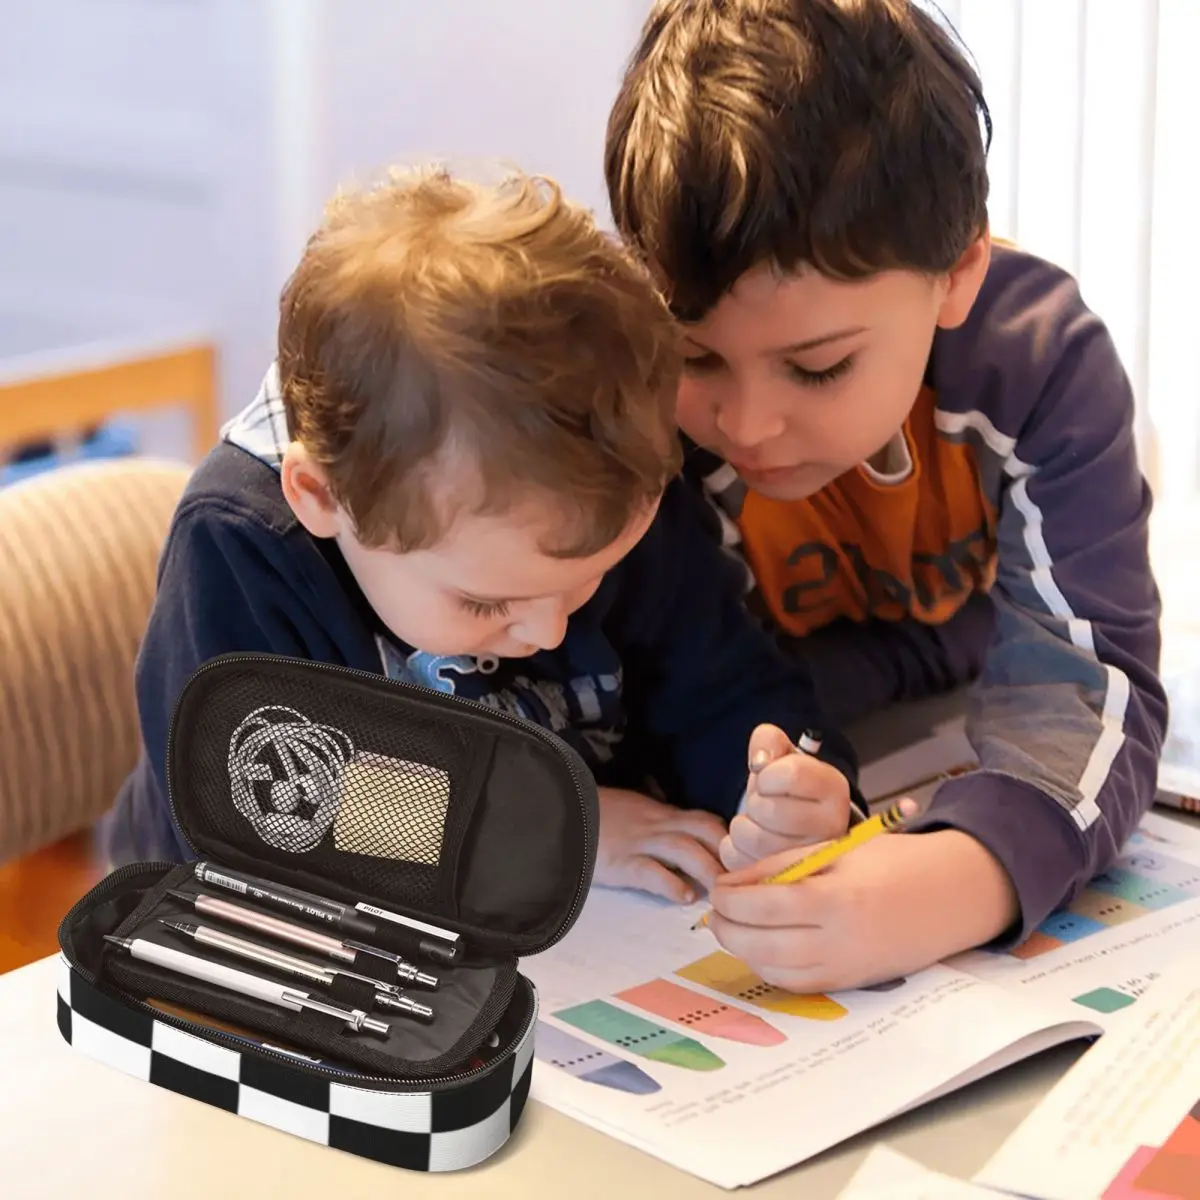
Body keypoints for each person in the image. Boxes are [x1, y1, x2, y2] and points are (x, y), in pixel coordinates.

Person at [100, 165, 865, 906]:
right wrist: (562, 831)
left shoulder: (603, 484)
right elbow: (258, 800)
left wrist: (782, 792)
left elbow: (719, 683)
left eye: (586, 580)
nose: (549, 625)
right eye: (483, 603)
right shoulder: (243, 547)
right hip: (219, 938)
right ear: (323, 498)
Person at [604, 0, 1167, 989]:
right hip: (834, 723)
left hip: (965, 694)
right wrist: (780, 785)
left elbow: (1090, 682)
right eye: (694, 355)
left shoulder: (1042, 364)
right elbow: (671, 696)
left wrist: (968, 876)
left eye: (817, 369)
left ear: (957, 274)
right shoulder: (631, 396)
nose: (746, 425)